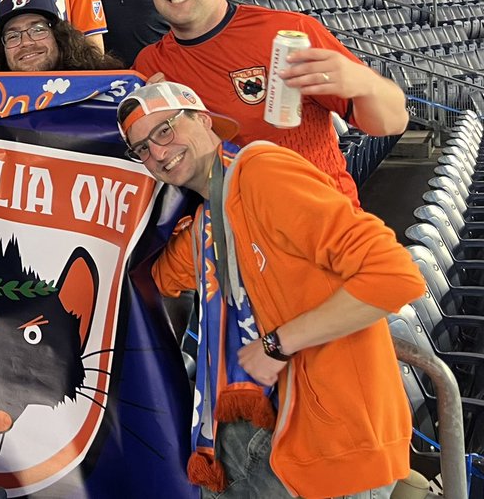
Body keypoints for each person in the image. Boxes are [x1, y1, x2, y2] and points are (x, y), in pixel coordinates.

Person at [117, 80, 424, 499]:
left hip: (333, 442)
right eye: (142, 149)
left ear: (204, 120)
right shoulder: (209, 216)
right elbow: (162, 278)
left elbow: (394, 275)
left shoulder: (262, 172)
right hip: (270, 430)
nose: (157, 152)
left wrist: (277, 344)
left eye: (165, 130)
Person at [132, 0, 408, 203]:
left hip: (320, 227)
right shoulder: (149, 66)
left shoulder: (288, 34)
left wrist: (369, 86)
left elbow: (392, 124)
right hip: (226, 236)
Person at [0, 0, 123, 73]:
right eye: (12, 36)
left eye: (37, 30)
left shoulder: (103, 87)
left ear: (59, 36)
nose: (26, 42)